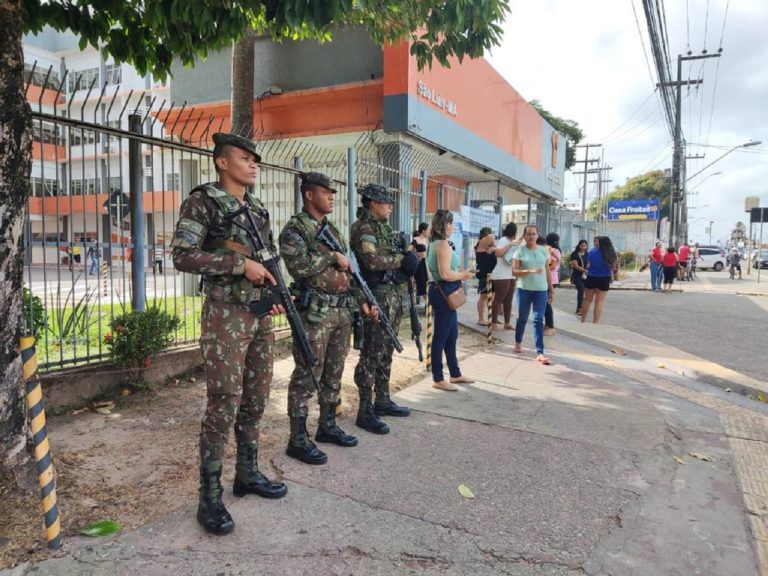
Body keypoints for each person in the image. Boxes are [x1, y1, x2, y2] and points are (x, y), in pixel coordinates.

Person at [171, 133, 287, 536]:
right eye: (245, 158)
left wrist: (274, 295)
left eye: (256, 159)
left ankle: (248, 473)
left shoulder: (256, 208)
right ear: (222, 163)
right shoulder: (203, 200)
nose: (253, 164)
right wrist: (239, 266)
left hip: (258, 315)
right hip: (225, 314)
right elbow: (182, 255)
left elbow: (269, 259)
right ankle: (209, 496)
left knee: (256, 397)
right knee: (224, 402)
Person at [279, 172, 376, 465]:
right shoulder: (295, 229)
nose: (332, 196)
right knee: (308, 374)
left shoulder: (331, 228)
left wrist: (362, 301)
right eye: (326, 192)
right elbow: (298, 266)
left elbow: (350, 272)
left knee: (334, 372)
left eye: (333, 192)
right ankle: (297, 439)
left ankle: (327, 426)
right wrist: (332, 257)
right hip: (314, 313)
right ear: (309, 195)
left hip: (340, 311)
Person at [350, 183, 419, 434]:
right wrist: (402, 259)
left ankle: (382, 398)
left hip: (391, 294)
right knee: (371, 353)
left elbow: (391, 257)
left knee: (386, 350)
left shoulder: (384, 228)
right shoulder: (364, 229)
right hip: (376, 295)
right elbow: (371, 261)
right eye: (386, 202)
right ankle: (365, 409)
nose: (390, 207)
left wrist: (407, 258)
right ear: (372, 203)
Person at [426, 210, 474, 391]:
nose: (454, 226)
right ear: (445, 224)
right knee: (441, 336)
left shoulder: (436, 244)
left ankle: (455, 373)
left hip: (441, 291)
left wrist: (460, 272)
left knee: (451, 335)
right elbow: (446, 274)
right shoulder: (443, 245)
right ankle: (438, 378)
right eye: (452, 223)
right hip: (443, 292)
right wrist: (464, 274)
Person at [511, 225, 554, 365]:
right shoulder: (519, 251)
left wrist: (551, 289)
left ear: (537, 235)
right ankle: (518, 342)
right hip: (524, 289)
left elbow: (547, 270)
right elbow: (514, 272)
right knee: (522, 317)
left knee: (538, 319)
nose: (531, 236)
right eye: (528, 234)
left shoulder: (543, 251)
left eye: (533, 234)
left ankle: (540, 352)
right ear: (524, 236)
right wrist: (530, 271)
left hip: (541, 290)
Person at [581, 236, 618, 323]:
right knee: (599, 302)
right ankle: (595, 323)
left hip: (591, 277)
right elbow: (614, 268)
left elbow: (588, 266)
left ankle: (583, 320)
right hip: (604, 278)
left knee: (587, 300)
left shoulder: (591, 252)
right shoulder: (611, 253)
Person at [490, 222, 518, 330]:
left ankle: (507, 323)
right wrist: (510, 244)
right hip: (501, 273)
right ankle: (493, 322)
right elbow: (498, 253)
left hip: (510, 273)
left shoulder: (514, 242)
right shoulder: (503, 240)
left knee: (509, 299)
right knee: (499, 298)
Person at [474, 227, 497, 325]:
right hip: (484, 274)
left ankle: (490, 318)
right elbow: (492, 237)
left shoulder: (487, 246)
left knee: (491, 297)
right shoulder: (481, 244)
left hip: (491, 274)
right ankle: (480, 319)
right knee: (483, 297)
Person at [544, 232, 561, 336]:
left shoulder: (553, 251)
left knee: (547, 303)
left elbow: (552, 266)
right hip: (549, 278)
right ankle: (547, 324)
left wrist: (540, 269)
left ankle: (550, 326)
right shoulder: (553, 250)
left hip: (551, 278)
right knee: (544, 302)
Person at [411, 222, 429, 305]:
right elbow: (409, 251)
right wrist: (418, 255)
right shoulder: (416, 240)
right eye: (428, 230)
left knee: (427, 283)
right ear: (423, 231)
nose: (429, 231)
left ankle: (429, 305)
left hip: (426, 264)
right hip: (419, 264)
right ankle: (428, 304)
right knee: (421, 283)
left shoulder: (426, 240)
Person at [569, 240, 589, 315]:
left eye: (585, 245)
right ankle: (580, 308)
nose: (583, 247)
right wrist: (585, 270)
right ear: (579, 245)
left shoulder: (587, 254)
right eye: (582, 245)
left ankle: (581, 307)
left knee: (586, 292)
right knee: (581, 290)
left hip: (586, 276)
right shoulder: (574, 254)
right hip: (577, 275)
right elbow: (575, 266)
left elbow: (589, 263)